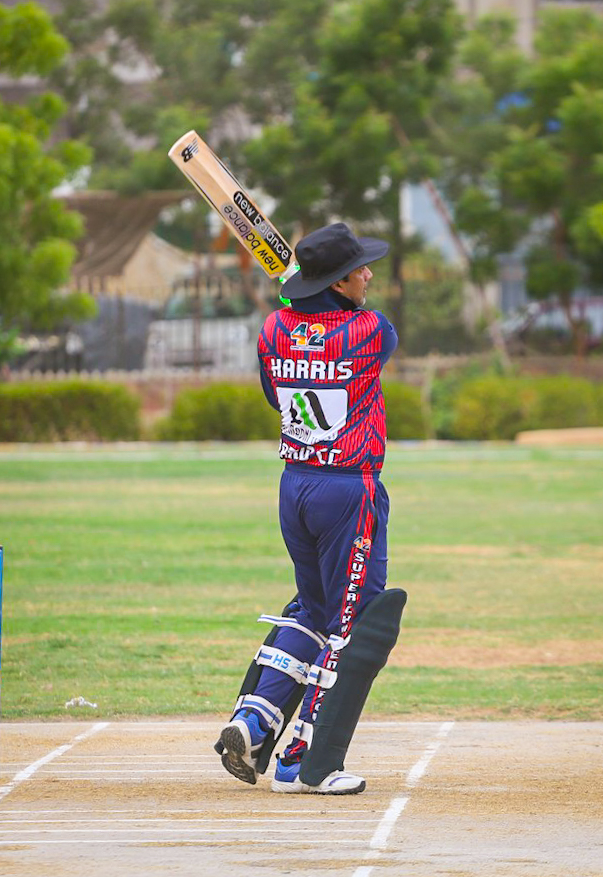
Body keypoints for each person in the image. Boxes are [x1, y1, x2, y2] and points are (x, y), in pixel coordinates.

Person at [215, 222, 401, 795]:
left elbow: (276, 395)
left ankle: (254, 721)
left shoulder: (274, 328)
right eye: (359, 270)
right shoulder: (370, 330)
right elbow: (382, 338)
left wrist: (306, 304)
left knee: (315, 608)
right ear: (338, 283)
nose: (369, 276)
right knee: (353, 621)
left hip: (295, 487)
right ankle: (303, 761)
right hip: (348, 490)